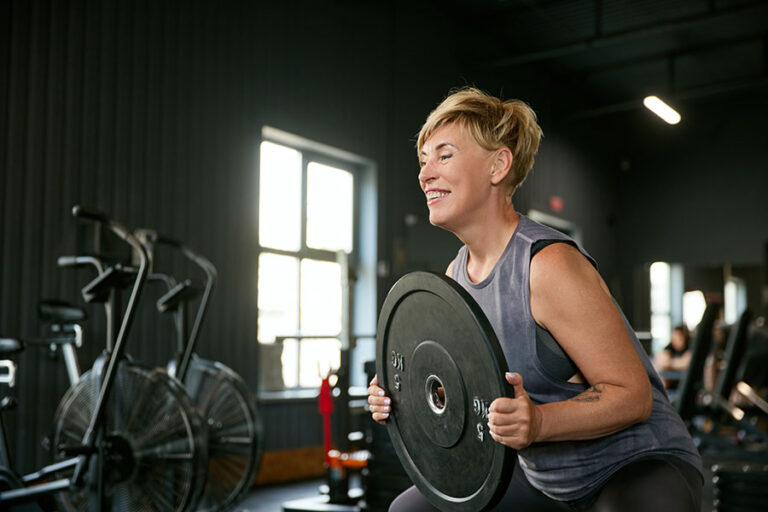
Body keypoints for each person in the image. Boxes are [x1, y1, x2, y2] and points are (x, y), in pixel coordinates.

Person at [368, 87, 703, 511]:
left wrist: (540, 421)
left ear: (498, 165)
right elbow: (468, 396)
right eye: (423, 161)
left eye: (444, 156)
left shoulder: (546, 265)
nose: (424, 174)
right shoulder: (456, 276)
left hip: (634, 465)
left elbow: (633, 396)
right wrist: (402, 397)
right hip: (545, 480)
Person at [654, 325, 693, 389]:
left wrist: (669, 364)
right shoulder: (670, 347)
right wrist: (677, 363)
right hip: (670, 385)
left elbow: (686, 363)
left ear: (684, 337)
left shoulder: (690, 347)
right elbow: (661, 361)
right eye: (674, 338)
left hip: (686, 384)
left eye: (678, 338)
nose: (675, 340)